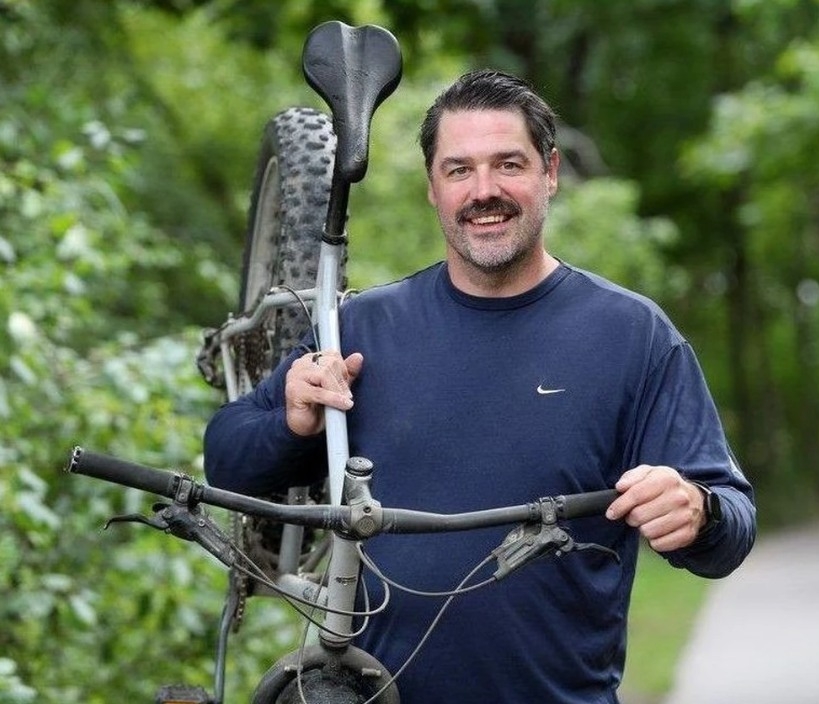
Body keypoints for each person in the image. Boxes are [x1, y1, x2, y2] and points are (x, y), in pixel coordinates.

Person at [204, 69, 756, 703]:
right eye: (459, 170)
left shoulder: (632, 335)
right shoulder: (362, 329)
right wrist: (290, 422)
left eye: (508, 164)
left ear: (550, 172)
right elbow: (226, 459)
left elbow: (730, 527)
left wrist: (699, 510)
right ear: (432, 187)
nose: (484, 191)